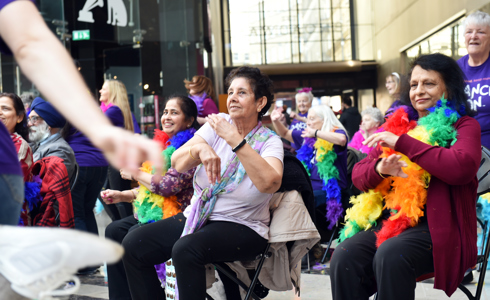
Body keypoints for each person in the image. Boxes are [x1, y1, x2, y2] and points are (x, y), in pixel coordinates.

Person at [0, 1, 163, 299]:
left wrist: (99, 130)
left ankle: (84, 261)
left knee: (85, 210)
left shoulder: (106, 113)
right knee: (87, 210)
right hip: (83, 164)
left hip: (80, 164)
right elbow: (31, 42)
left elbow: (31, 41)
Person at [120, 66, 283, 300]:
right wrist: (200, 149)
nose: (233, 98)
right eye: (231, 92)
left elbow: (270, 182)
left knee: (186, 249)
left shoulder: (270, 141)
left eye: (242, 92)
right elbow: (177, 162)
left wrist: (235, 139)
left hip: (244, 225)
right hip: (198, 214)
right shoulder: (216, 125)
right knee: (134, 244)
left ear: (260, 103)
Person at [330, 53, 480, 300]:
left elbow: (461, 167)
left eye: (429, 83)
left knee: (391, 254)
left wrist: (404, 144)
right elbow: (357, 176)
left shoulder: (463, 126)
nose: (419, 91)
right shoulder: (396, 126)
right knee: (345, 254)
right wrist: (381, 169)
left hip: (439, 229)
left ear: (449, 89)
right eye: (413, 84)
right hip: (392, 222)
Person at [102, 95, 199, 300]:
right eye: (165, 112)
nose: (167, 117)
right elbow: (149, 190)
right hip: (158, 210)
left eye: (174, 112)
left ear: (189, 120)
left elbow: (167, 187)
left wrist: (135, 173)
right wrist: (124, 195)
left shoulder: (191, 148)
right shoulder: (163, 146)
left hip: (180, 215)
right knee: (113, 230)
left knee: (132, 236)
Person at [274, 105, 348, 242]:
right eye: (307, 118)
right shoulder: (309, 136)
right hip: (309, 188)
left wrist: (315, 133)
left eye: (312, 119)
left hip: (330, 191)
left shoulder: (335, 133)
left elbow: (342, 140)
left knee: (299, 201)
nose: (308, 122)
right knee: (282, 198)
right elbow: (285, 134)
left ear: (324, 119)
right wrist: (275, 121)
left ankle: (307, 247)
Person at [100, 79, 142, 221]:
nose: (100, 91)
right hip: (110, 158)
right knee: (108, 195)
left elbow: (136, 136)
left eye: (104, 89)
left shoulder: (116, 112)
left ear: (112, 92)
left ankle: (123, 228)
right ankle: (119, 226)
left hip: (118, 159)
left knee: (119, 197)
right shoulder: (116, 111)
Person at [457, 11, 490, 149]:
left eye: (481, 32)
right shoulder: (454, 69)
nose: (474, 36)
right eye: (469, 31)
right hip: (460, 146)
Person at [28, 97, 76, 181]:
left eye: (34, 119)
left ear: (49, 123)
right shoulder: (37, 145)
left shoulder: (60, 150)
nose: (29, 124)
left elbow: (47, 185)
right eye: (29, 119)